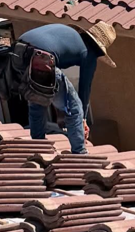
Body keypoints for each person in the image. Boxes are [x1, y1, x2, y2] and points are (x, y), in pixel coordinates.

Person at [13, 22, 116, 154]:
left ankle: (38, 144)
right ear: (100, 48)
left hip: (17, 54)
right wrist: (83, 119)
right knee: (74, 107)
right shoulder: (89, 52)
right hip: (42, 58)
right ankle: (80, 153)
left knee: (38, 100)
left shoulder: (70, 37)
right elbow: (85, 89)